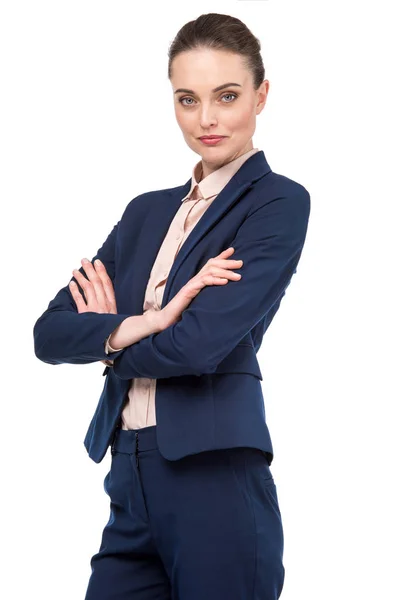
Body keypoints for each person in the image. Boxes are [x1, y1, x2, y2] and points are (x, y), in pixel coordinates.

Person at [33, 12, 310, 600]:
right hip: (128, 468)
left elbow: (200, 345)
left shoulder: (277, 203)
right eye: (188, 99)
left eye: (226, 96)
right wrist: (144, 323)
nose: (206, 119)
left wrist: (109, 342)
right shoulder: (144, 213)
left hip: (212, 468)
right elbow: (49, 332)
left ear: (261, 96)